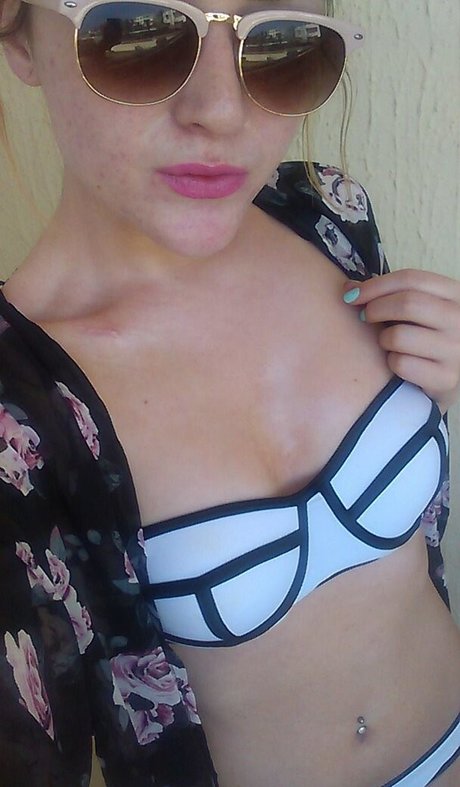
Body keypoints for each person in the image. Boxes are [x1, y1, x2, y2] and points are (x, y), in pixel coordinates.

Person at [0, 0, 459, 785]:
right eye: (137, 31)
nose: (220, 110)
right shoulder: (22, 415)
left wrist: (432, 394)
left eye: (277, 39)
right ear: (20, 40)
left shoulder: (327, 215)